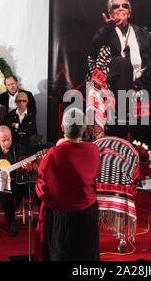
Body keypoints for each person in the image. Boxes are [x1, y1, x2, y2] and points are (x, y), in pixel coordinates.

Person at [86, 0, 151, 140]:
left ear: (129, 12)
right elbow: (93, 52)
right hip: (116, 81)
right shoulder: (105, 32)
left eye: (124, 6)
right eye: (116, 6)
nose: (121, 8)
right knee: (123, 62)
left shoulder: (140, 32)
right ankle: (124, 111)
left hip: (141, 78)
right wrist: (108, 29)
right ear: (110, 13)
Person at [34, 108, 101, 261]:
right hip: (87, 214)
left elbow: (43, 190)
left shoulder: (53, 154)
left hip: (62, 218)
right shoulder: (93, 150)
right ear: (84, 128)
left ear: (62, 128)